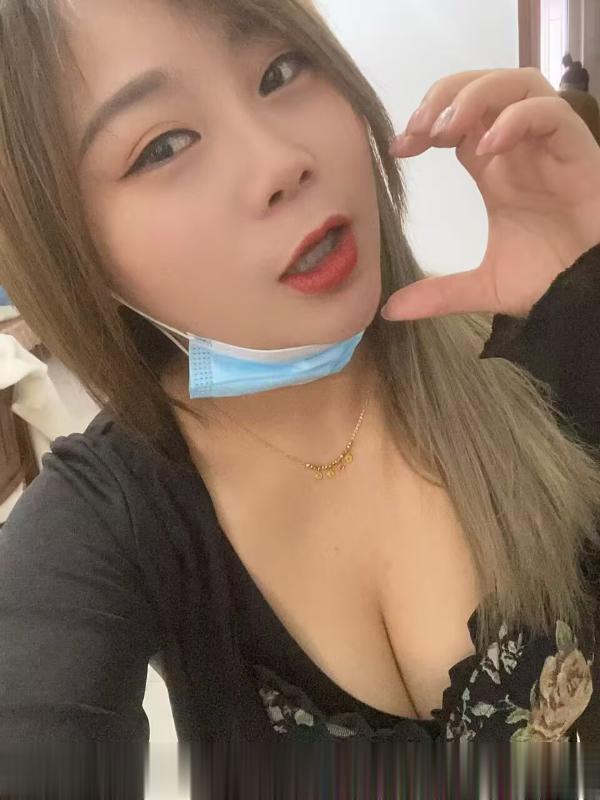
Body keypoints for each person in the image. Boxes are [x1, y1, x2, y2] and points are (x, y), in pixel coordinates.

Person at [1, 0, 600, 790]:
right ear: (72, 249)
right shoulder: (105, 520)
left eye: (280, 71)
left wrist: (587, 308)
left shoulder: (524, 344)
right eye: (163, 146)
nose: (282, 160)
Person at [560, 56, 600, 145]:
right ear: (584, 83)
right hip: (580, 149)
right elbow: (596, 137)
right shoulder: (588, 101)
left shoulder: (553, 96)